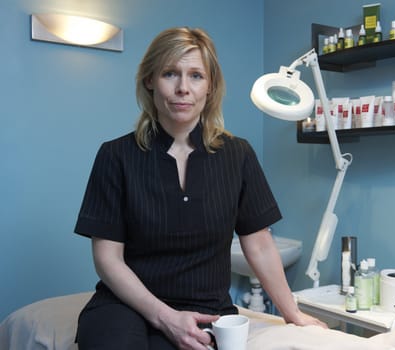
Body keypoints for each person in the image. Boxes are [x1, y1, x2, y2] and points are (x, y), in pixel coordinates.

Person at [74, 27, 326, 350]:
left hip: (205, 311)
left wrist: (293, 313)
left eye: (195, 76)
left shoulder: (238, 155)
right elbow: (108, 260)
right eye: (170, 74)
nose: (183, 88)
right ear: (150, 80)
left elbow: (260, 244)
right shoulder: (116, 156)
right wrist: (165, 317)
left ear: (210, 86)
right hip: (124, 307)